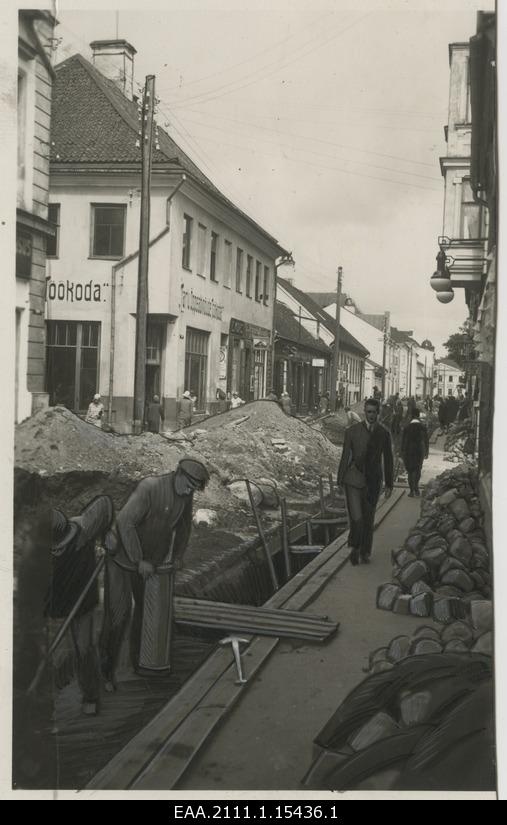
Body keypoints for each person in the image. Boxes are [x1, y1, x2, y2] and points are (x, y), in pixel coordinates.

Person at [99, 459, 209, 687]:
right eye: (188, 486)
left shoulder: (184, 495)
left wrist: (178, 555)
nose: (189, 492)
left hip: (149, 563)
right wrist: (138, 559)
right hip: (122, 559)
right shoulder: (149, 487)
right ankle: (105, 671)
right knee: (118, 615)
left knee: (144, 612)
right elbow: (125, 522)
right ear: (178, 474)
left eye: (193, 489)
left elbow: (184, 527)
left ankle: (141, 665)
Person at [22, 497, 114, 717]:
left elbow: (105, 505)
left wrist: (107, 535)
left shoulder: (84, 528)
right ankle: (44, 707)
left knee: (85, 650)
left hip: (82, 603)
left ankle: (90, 697)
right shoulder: (38, 555)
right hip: (55, 607)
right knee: (53, 656)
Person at [337, 398, 393, 565]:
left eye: (374, 412)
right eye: (368, 412)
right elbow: (345, 456)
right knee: (357, 518)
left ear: (378, 413)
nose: (371, 415)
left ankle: (365, 552)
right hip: (353, 480)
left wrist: (389, 484)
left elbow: (388, 459)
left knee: (368, 519)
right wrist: (340, 480)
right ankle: (355, 547)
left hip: (373, 482)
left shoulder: (383, 434)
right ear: (364, 412)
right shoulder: (352, 431)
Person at [401, 408, 429, 497]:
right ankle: (416, 488)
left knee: (410, 471)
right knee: (417, 469)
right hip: (419, 451)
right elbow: (426, 441)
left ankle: (411, 491)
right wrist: (426, 452)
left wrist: (401, 453)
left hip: (409, 451)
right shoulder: (423, 427)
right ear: (418, 416)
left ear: (411, 416)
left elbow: (403, 442)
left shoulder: (407, 428)